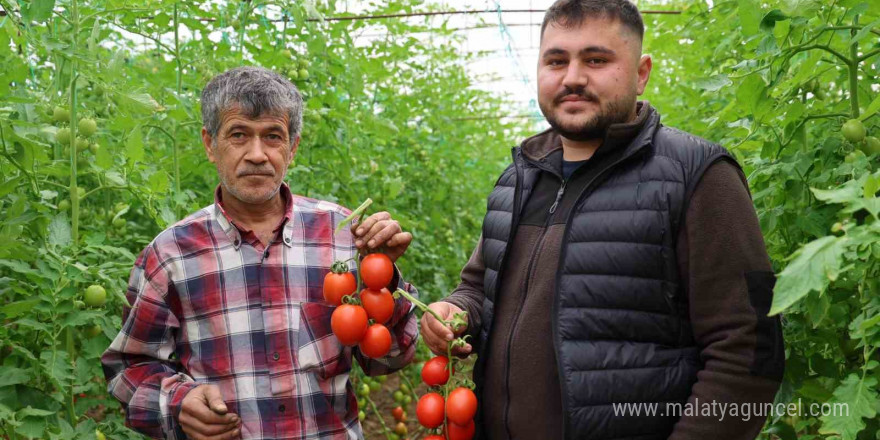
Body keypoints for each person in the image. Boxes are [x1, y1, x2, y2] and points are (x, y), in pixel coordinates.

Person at [420, 1, 784, 439]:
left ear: (641, 71)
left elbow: (749, 349)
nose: (572, 77)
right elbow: (478, 287)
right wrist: (453, 311)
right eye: (556, 60)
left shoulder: (698, 175)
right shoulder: (518, 179)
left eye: (596, 59)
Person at [102, 66, 418, 440]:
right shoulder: (171, 254)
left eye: (273, 136)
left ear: (292, 147)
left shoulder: (344, 237)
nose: (257, 154)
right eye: (238, 135)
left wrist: (382, 279)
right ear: (209, 144)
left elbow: (390, 358)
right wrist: (177, 402)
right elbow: (128, 368)